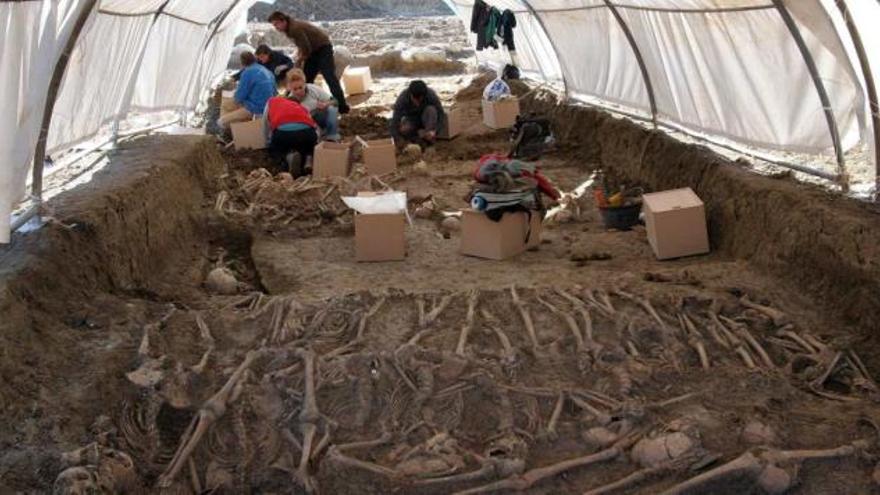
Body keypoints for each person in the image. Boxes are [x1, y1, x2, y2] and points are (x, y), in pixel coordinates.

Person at [267, 11, 350, 115]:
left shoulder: (294, 29)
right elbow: (302, 46)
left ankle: (343, 107)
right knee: (306, 79)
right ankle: (303, 105)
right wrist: (299, 58)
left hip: (323, 48)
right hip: (313, 50)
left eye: (276, 24)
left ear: (283, 21)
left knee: (329, 77)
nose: (276, 28)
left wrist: (299, 61)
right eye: (274, 25)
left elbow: (306, 48)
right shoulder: (289, 28)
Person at [261, 95, 318, 176]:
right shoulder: (302, 108)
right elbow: (314, 128)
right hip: (307, 132)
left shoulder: (272, 101)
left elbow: (265, 124)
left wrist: (267, 143)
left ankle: (288, 157)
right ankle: (308, 159)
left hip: (283, 133)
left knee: (277, 149)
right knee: (307, 145)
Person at [219, 51, 276, 130]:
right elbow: (274, 92)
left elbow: (239, 97)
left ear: (242, 63)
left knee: (224, 112)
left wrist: (235, 93)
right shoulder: (267, 71)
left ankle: (227, 132)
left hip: (256, 109)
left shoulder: (247, 72)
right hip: (270, 107)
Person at [286, 69, 340, 142]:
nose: (298, 92)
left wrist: (325, 104)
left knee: (332, 109)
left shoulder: (313, 89)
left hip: (320, 117)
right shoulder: (290, 100)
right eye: (295, 89)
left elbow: (335, 101)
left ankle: (332, 135)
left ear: (305, 84)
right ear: (290, 88)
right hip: (307, 124)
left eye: (300, 87)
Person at [390, 80, 445, 149]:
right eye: (415, 100)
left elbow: (441, 114)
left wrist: (435, 131)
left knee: (431, 110)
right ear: (411, 95)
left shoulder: (431, 95)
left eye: (420, 100)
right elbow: (395, 120)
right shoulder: (402, 99)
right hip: (411, 120)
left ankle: (428, 140)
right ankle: (415, 139)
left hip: (426, 119)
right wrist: (398, 139)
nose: (417, 103)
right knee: (404, 128)